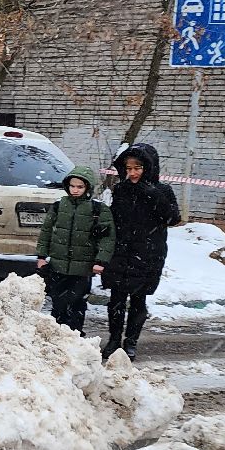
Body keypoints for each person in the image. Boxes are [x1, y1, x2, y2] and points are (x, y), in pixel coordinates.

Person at [103, 143, 182, 360]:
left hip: (148, 254)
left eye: (137, 168)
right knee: (116, 299)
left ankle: (131, 342)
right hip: (121, 252)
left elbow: (173, 218)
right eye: (128, 168)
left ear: (148, 167)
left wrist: (152, 194)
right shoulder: (121, 189)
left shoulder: (162, 191)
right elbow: (115, 218)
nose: (132, 173)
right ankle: (114, 340)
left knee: (138, 300)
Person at [34, 166, 114, 335]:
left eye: (80, 187)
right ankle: (56, 333)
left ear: (87, 188)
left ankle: (74, 334)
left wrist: (100, 261)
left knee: (77, 302)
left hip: (83, 267)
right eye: (72, 186)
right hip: (58, 264)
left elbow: (107, 238)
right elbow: (46, 231)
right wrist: (41, 256)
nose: (75, 190)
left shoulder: (98, 210)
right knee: (58, 301)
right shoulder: (59, 206)